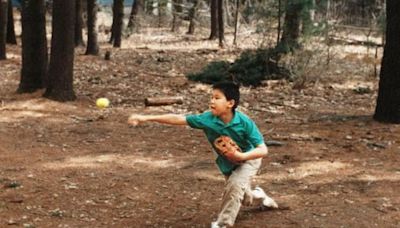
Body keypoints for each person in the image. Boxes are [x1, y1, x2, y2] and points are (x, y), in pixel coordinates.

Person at [128, 81, 278, 228]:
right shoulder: (207, 119)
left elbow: (263, 150)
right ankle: (260, 196)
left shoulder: (245, 122)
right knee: (244, 197)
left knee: (235, 185)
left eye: (217, 98)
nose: (212, 101)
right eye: (211, 97)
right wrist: (146, 118)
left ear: (230, 103)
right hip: (228, 162)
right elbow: (178, 119)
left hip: (249, 158)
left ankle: (222, 224)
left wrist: (241, 157)